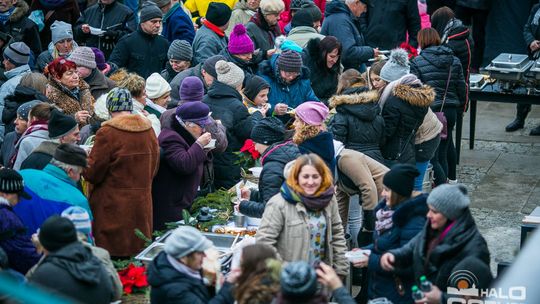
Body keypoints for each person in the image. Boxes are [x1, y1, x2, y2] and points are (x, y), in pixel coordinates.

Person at [380, 184, 493, 304]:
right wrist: (394, 256)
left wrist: (441, 298)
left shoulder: (476, 249)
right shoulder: (432, 228)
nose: (428, 215)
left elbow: (476, 298)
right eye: (429, 209)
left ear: (450, 214)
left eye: (434, 211)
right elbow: (413, 247)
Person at [83, 88, 159, 257]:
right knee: (136, 259)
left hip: (112, 208)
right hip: (142, 207)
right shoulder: (149, 130)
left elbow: (93, 173)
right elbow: (154, 167)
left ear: (109, 108)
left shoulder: (108, 132)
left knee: (112, 257)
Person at [256, 153, 349, 278]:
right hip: (288, 283)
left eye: (315, 176)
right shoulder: (278, 204)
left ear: (322, 178)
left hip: (321, 280)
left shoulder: (329, 200)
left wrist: (341, 269)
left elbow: (337, 233)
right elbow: (264, 244)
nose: (310, 182)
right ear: (296, 177)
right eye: (305, 176)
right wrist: (287, 271)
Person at [352, 164, 427, 304]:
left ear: (399, 192)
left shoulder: (414, 222)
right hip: (381, 289)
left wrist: (371, 260)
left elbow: (409, 261)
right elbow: (383, 244)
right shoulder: (386, 214)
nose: (382, 194)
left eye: (387, 190)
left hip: (399, 293)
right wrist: (364, 251)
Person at [410, 28, 466, 185]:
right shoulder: (454, 60)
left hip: (430, 112)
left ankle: (443, 191)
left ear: (422, 41)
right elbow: (461, 87)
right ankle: (449, 185)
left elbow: (416, 91)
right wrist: (460, 107)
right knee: (444, 152)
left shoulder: (417, 62)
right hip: (450, 111)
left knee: (433, 158)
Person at [152, 102, 214, 231]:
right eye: (201, 125)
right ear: (187, 124)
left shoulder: (185, 134)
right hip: (171, 205)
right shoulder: (170, 137)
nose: (203, 130)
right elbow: (184, 164)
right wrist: (199, 145)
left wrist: (204, 149)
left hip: (183, 202)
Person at [28, 216, 114, 304]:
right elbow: (113, 293)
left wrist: (39, 250)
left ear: (46, 245)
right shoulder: (98, 264)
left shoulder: (46, 273)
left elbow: (26, 294)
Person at [204, 60, 259, 189]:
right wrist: (257, 115)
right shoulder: (237, 107)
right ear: (237, 85)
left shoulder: (204, 99)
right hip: (229, 162)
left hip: (209, 160)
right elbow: (247, 133)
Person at [15, 143, 91, 238]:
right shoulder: (78, 200)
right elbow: (84, 241)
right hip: (49, 250)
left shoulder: (21, 176)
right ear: (70, 171)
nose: (79, 177)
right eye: (80, 173)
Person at [147, 226, 234, 303]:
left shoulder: (184, 266)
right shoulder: (175, 291)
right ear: (184, 257)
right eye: (200, 252)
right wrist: (228, 287)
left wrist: (210, 286)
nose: (205, 255)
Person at [379, 49, 435, 166]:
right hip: (407, 152)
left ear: (392, 82)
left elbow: (386, 133)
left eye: (384, 81)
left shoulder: (393, 102)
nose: (381, 84)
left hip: (393, 155)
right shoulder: (417, 97)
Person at [239, 117, 301, 218]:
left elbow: (271, 210)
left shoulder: (273, 165)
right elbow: (278, 195)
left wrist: (243, 206)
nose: (255, 148)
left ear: (266, 141)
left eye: (255, 143)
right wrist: (253, 195)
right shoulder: (290, 151)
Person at [60, 206, 123, 301]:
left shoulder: (55, 253)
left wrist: (42, 250)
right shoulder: (101, 254)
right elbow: (116, 292)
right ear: (88, 230)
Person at [108, 3, 170, 79]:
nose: (158, 25)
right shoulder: (127, 42)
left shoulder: (163, 43)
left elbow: (168, 69)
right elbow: (114, 69)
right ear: (142, 22)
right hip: (133, 88)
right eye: (153, 21)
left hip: (157, 88)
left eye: (160, 21)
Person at [506, 2, 540, 135]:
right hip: (533, 54)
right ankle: (520, 119)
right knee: (525, 86)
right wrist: (531, 41)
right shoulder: (536, 8)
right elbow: (527, 28)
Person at [258, 50, 319, 124]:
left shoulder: (303, 81)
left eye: (295, 73)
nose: (291, 77)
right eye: (288, 73)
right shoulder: (265, 79)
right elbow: (257, 106)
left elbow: (313, 101)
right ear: (279, 69)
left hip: (298, 125)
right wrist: (273, 109)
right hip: (273, 126)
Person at [329, 86, 385, 164]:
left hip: (351, 160)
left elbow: (337, 141)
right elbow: (382, 141)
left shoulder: (341, 117)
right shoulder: (378, 117)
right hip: (376, 159)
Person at [0, 168, 40, 275]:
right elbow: (22, 254)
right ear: (5, 194)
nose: (20, 200)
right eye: (18, 195)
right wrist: (40, 249)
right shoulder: (8, 219)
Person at [321, 0, 378, 71]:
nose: (365, 10)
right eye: (365, 6)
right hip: (341, 74)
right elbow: (347, 53)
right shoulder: (340, 21)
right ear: (356, 3)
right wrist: (370, 51)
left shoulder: (345, 18)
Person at [292, 101, 335, 174]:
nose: (294, 124)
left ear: (306, 125)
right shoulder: (324, 141)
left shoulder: (305, 147)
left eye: (297, 121)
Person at [0, 42, 31, 141]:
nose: (3, 62)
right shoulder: (34, 78)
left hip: (12, 135)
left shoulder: (8, 86)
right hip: (30, 133)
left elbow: (1, 120)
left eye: (4, 59)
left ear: (9, 61)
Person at [12, 103, 54, 170]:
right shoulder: (62, 137)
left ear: (33, 119)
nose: (15, 121)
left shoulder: (27, 141)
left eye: (28, 119)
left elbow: (18, 170)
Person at [454, 0, 491, 72]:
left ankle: (474, 67)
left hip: (481, 5)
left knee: (477, 36)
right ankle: (469, 66)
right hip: (468, 4)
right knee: (459, 33)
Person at [1, 101, 40, 167]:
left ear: (31, 122)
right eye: (17, 117)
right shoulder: (9, 137)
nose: (15, 122)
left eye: (21, 119)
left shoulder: (37, 143)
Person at [303, 36, 341, 104]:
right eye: (332, 56)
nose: (335, 61)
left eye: (337, 57)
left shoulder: (333, 70)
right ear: (323, 53)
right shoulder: (305, 61)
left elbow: (330, 97)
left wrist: (320, 104)